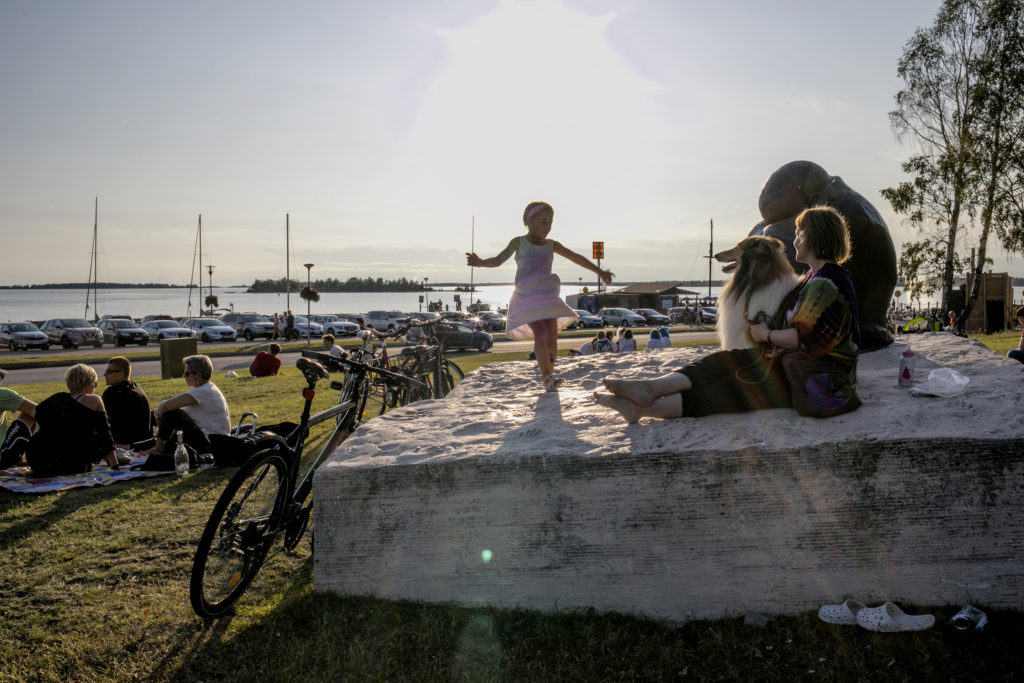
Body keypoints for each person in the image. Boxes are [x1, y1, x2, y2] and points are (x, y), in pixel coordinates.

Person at [595, 206, 859, 424]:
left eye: (801, 233)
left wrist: (763, 333)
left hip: (817, 377)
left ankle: (643, 409)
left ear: (816, 238)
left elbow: (806, 339)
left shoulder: (826, 284)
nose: (795, 239)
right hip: (796, 364)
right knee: (722, 361)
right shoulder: (815, 278)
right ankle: (650, 389)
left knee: (730, 390)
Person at [466, 201, 613, 391]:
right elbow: (498, 260)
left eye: (551, 222)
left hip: (547, 297)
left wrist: (599, 272)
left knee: (552, 339)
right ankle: (547, 377)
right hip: (526, 298)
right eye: (543, 221)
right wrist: (480, 263)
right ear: (529, 221)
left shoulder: (551, 245)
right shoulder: (518, 242)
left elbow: (575, 257)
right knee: (541, 333)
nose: (548, 226)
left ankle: (550, 375)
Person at [25, 364, 127, 477]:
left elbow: (37, 416)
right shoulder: (94, 400)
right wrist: (115, 466)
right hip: (71, 464)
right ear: (87, 384)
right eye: (95, 384)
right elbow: (105, 436)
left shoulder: (56, 399)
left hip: (40, 462)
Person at [144, 355, 230, 456]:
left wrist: (157, 414)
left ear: (198, 375)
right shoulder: (209, 388)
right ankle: (146, 445)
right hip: (211, 440)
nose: (184, 376)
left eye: (187, 373)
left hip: (209, 444)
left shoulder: (204, 391)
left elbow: (165, 406)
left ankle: (158, 449)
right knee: (161, 416)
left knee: (173, 413)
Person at [101, 356, 153, 446]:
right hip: (143, 441)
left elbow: (100, 420)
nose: (104, 374)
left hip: (124, 444)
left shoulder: (113, 393)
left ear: (121, 374)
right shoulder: (136, 387)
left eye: (108, 372)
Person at [0, 368, 37, 469]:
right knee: (28, 415)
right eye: (1, 377)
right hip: (2, 460)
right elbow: (40, 411)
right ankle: (32, 458)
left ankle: (18, 459)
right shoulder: (2, 394)